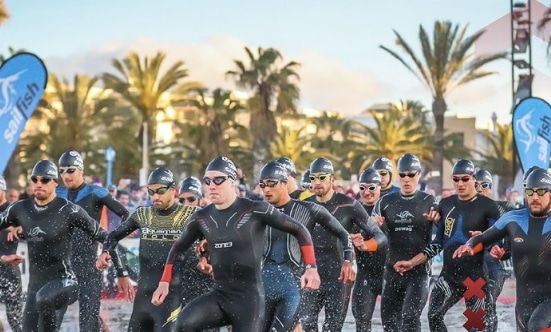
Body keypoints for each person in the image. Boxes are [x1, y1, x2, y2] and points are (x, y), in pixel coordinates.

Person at [151, 156, 321, 331]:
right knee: (182, 324)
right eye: (207, 181)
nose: (212, 185)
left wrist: (311, 267)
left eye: (218, 180)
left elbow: (300, 230)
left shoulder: (255, 210)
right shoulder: (202, 217)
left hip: (250, 301)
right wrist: (164, 282)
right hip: (219, 296)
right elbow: (178, 249)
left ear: (232, 182)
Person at [0, 160, 111, 332]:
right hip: (35, 287)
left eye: (44, 180)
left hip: (65, 281)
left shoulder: (68, 210)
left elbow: (105, 236)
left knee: (45, 299)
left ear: (54, 183)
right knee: (34, 310)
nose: (38, 184)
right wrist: (2, 257)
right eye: (34, 180)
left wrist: (105, 253)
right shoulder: (21, 208)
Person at [393, 159, 500, 331]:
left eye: (465, 179)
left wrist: (484, 240)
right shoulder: (446, 204)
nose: (460, 183)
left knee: (477, 327)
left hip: (476, 279)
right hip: (449, 277)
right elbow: (438, 243)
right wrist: (412, 262)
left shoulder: (488, 206)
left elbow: (497, 239)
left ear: (473, 178)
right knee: (433, 315)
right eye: (456, 179)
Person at [258, 161, 363, 332]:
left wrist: (347, 261)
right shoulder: (258, 212)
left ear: (285, 183)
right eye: (262, 185)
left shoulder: (309, 209)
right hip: (266, 285)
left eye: (272, 184)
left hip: (296, 286)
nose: (266, 189)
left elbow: (344, 234)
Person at [97, 167, 199, 331]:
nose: (155, 196)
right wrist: (106, 252)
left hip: (170, 298)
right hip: (143, 299)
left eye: (161, 191)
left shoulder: (191, 214)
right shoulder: (143, 214)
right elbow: (113, 236)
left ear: (173, 189)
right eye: (151, 192)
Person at [454, 167, 551, 332]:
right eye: (530, 191)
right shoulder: (513, 219)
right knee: (530, 325)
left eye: (541, 192)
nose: (535, 197)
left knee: (538, 325)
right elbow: (483, 239)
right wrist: (470, 246)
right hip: (524, 303)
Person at [302, 157, 387, 332]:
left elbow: (380, 237)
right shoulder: (305, 206)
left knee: (332, 328)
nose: (317, 182)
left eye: (322, 177)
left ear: (332, 179)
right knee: (308, 325)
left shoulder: (349, 205)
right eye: (313, 178)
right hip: (312, 274)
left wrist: (366, 245)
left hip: (339, 277)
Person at [55, 150, 132, 331]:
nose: (66, 175)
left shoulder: (95, 192)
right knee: (52, 318)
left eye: (71, 170)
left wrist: (111, 241)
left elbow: (126, 214)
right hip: (63, 264)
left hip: (90, 264)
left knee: (87, 321)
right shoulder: (57, 193)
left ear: (81, 170)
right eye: (62, 171)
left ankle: (97, 325)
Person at [372, 152, 438, 332]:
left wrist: (437, 221)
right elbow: (374, 236)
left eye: (411, 175)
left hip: (419, 272)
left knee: (410, 317)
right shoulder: (386, 201)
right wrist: (378, 227)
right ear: (398, 175)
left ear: (418, 175)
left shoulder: (428, 201)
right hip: (392, 270)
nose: (407, 179)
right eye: (402, 175)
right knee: (389, 322)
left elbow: (441, 241)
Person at [350, 167, 387, 332]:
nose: (367, 192)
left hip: (389, 275)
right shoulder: (353, 210)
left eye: (372, 187)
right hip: (365, 275)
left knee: (393, 324)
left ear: (380, 187)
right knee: (362, 323)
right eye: (363, 188)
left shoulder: (389, 208)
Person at [0, 176, 22, 332]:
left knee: (15, 320)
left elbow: (30, 230)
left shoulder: (13, 211)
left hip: (10, 271)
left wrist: (18, 229)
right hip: (2, 260)